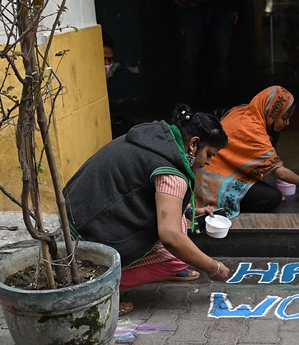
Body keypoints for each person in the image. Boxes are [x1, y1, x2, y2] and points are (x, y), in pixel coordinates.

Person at [64, 105, 233, 315]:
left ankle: (140, 269)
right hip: (86, 235)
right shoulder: (171, 173)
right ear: (194, 143)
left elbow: (139, 188)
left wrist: (189, 211)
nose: (208, 162)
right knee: (177, 254)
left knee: (179, 223)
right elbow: (171, 237)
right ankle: (95, 291)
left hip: (73, 215)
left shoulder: (157, 139)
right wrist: (212, 267)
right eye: (209, 154)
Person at [195, 86, 299, 218]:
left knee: (275, 133)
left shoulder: (243, 110)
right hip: (214, 182)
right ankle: (229, 203)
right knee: (273, 198)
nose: (287, 123)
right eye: (284, 118)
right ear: (272, 113)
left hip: (228, 169)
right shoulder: (253, 129)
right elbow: (281, 172)